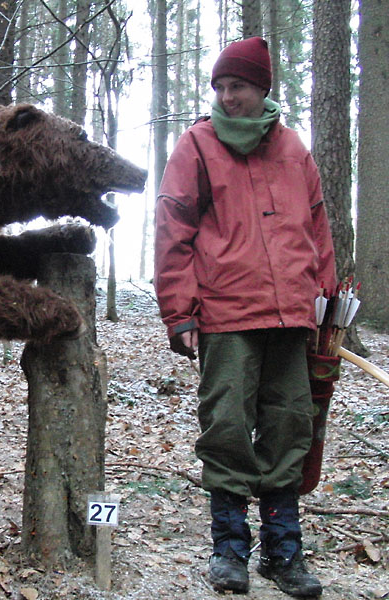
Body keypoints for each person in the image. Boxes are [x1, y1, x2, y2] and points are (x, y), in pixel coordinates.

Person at [153, 37, 337, 598]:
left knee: (289, 427)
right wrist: (178, 312)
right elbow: (173, 229)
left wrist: (325, 307)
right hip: (227, 314)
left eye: (237, 86)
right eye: (220, 87)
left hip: (292, 318)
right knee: (227, 426)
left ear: (263, 89)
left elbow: (318, 231)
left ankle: (284, 552)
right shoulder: (197, 145)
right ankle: (229, 547)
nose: (226, 97)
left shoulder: (294, 150)